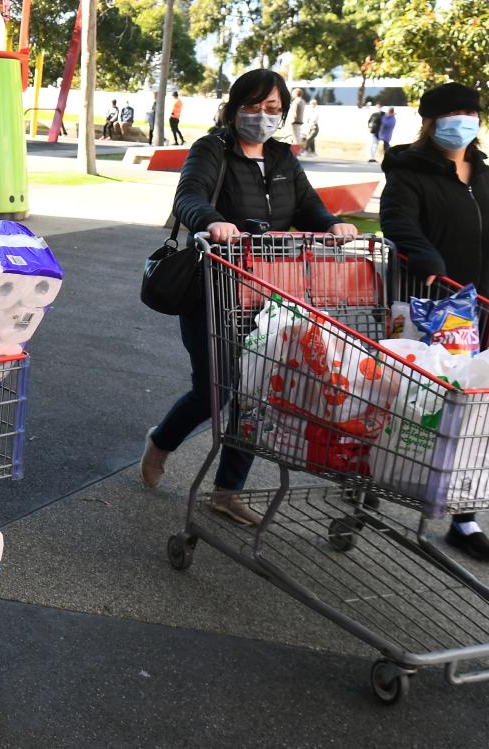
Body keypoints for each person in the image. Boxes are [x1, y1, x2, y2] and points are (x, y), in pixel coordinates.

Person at [140, 69, 357, 525]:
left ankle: (227, 490)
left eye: (273, 108)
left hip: (268, 292)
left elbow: (308, 205)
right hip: (213, 287)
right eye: (254, 107)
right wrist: (212, 221)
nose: (263, 117)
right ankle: (161, 441)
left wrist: (331, 224)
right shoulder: (212, 149)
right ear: (235, 107)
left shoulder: (282, 157)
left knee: (254, 394)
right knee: (213, 390)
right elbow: (189, 198)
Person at [378, 82, 489, 562]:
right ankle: (369, 482)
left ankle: (464, 518)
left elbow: (484, 233)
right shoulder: (408, 171)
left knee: (468, 411)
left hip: (472, 308)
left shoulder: (482, 174)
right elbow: (399, 224)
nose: (463, 121)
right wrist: (429, 262)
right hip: (425, 304)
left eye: (470, 113)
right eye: (452, 113)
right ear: (430, 121)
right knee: (404, 403)